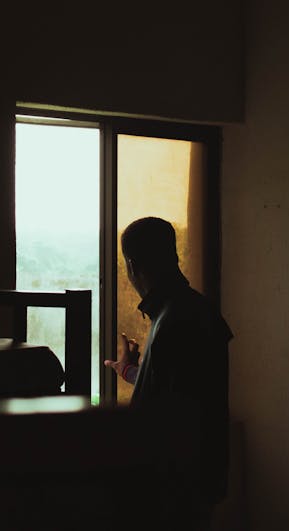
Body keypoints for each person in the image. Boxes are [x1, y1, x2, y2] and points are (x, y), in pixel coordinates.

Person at [104, 217, 233, 529]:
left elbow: (173, 410)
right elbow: (181, 386)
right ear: (173, 255)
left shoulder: (173, 322)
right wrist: (131, 371)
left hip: (174, 488)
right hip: (195, 479)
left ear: (132, 265)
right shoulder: (194, 311)